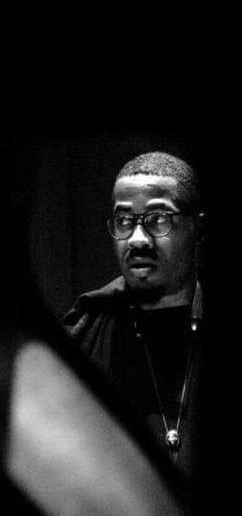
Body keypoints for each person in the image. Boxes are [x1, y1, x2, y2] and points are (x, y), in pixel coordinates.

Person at [63, 151, 206, 480]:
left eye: (158, 219)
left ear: (198, 229)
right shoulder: (85, 333)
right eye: (125, 221)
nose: (137, 239)